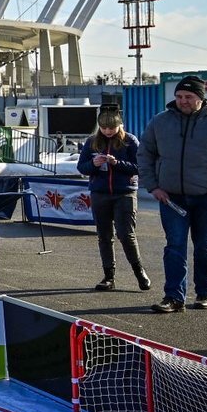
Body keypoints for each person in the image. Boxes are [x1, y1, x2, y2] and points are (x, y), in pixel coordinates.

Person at [139, 75, 207, 313]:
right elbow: (145, 155)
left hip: (205, 198)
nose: (183, 101)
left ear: (200, 98)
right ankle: (173, 297)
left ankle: (204, 292)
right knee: (174, 246)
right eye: (179, 96)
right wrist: (154, 187)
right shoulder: (160, 122)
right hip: (170, 198)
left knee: (204, 247)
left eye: (188, 97)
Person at [76, 110, 148, 292]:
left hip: (124, 193)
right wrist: (94, 164)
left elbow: (141, 167)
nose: (108, 131)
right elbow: (81, 167)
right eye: (104, 128)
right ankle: (109, 277)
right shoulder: (92, 141)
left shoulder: (130, 140)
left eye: (112, 127)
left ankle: (139, 272)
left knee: (126, 235)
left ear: (119, 125)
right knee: (104, 236)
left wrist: (117, 163)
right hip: (99, 193)